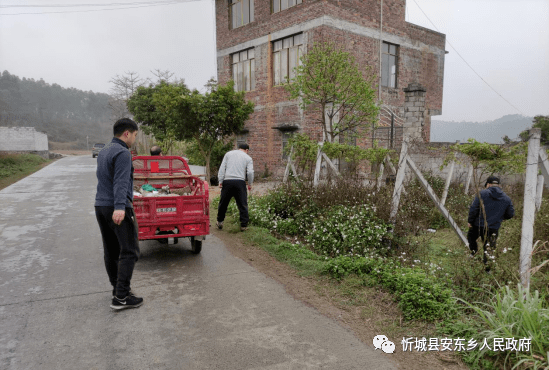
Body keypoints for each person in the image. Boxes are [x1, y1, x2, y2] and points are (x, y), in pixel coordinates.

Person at [95, 118, 144, 310]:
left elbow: (103, 179)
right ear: (127, 133)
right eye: (134, 135)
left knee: (111, 250)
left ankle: (117, 289)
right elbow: (121, 182)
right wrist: (120, 207)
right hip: (116, 206)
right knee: (130, 250)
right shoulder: (123, 153)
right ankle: (122, 297)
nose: (134, 139)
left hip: (100, 206)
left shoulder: (104, 150)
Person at [467, 176, 514, 272]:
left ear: (488, 184)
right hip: (493, 227)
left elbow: (474, 208)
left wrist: (470, 221)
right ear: (499, 185)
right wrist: (500, 218)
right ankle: (487, 269)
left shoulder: (482, 193)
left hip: (478, 225)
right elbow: (510, 214)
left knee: (471, 238)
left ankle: (473, 253)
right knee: (489, 248)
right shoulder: (506, 198)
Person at [216, 143, 254, 232]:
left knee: (223, 203)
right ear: (247, 150)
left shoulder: (228, 154)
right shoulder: (248, 158)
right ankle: (243, 225)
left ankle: (220, 222)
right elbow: (250, 172)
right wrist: (250, 183)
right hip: (240, 182)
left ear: (239, 148)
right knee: (242, 204)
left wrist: (220, 180)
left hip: (227, 181)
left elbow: (222, 168)